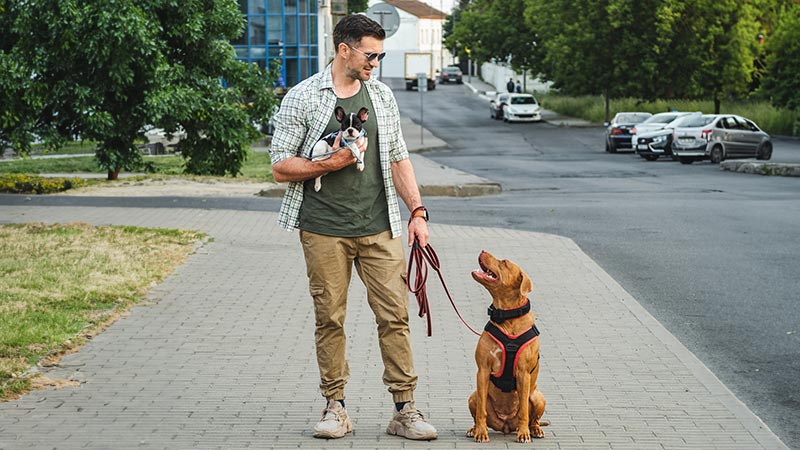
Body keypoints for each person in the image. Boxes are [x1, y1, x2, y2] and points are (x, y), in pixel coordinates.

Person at [268, 14, 438, 442]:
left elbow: (399, 157)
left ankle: (405, 409)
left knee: (395, 316)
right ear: (344, 49)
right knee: (330, 318)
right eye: (370, 54)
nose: (376, 62)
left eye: (380, 54)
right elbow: (280, 166)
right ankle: (335, 406)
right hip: (323, 228)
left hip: (380, 227)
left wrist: (417, 212)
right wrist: (331, 163)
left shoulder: (380, 96)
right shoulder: (303, 97)